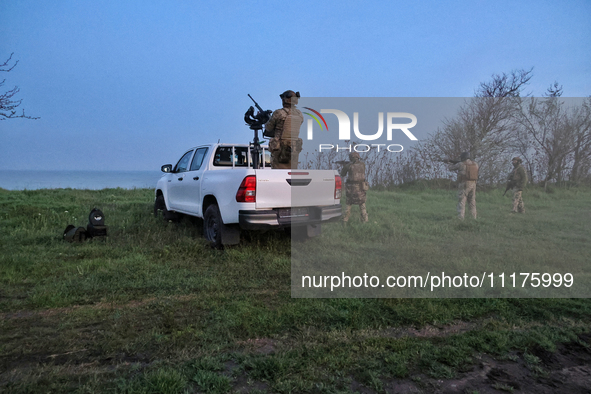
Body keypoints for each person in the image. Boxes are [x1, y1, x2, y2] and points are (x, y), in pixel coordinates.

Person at [264, 90, 304, 169]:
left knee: (278, 172)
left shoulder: (278, 113)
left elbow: (268, 128)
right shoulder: (299, 114)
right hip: (293, 148)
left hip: (279, 148)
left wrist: (267, 120)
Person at [446, 152, 479, 220]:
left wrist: (449, 162)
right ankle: (473, 218)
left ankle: (460, 218)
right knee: (472, 201)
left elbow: (450, 168)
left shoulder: (461, 164)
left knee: (462, 201)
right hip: (474, 184)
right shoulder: (475, 164)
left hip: (464, 184)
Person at [340, 152, 369, 223]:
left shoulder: (349, 166)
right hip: (361, 187)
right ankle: (365, 221)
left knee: (348, 205)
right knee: (362, 204)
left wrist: (345, 166)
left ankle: (344, 221)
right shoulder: (363, 164)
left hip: (352, 188)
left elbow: (342, 174)